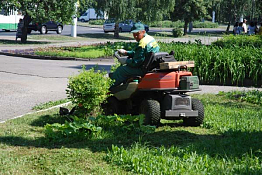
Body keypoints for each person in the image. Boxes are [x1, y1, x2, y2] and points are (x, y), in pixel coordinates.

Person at [110, 22, 160, 88]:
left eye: (137, 34)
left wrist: (126, 61)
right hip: (150, 65)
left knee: (121, 70)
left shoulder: (142, 44)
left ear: (143, 31)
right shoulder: (150, 39)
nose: (135, 36)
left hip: (142, 69)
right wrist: (126, 52)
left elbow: (135, 63)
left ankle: (109, 89)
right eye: (134, 34)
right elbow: (139, 54)